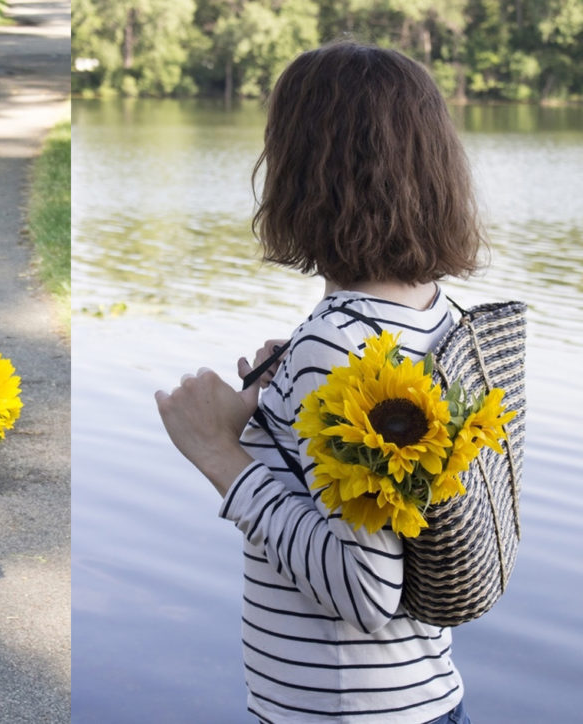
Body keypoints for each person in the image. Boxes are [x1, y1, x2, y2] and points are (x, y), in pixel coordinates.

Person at [155, 41, 485, 723]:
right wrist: (286, 408)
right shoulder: (429, 315)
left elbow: (364, 591)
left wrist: (222, 457)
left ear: (305, 171)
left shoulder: (337, 345)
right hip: (422, 696)